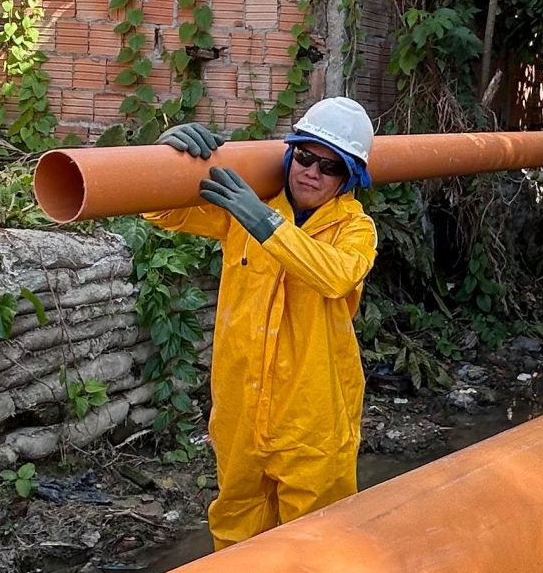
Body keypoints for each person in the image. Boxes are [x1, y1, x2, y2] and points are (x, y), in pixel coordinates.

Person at [149, 96, 378, 548]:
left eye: (329, 167)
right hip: (241, 410)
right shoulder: (245, 208)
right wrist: (163, 160)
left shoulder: (356, 229)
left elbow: (335, 276)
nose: (311, 172)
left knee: (318, 542)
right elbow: (164, 213)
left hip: (312, 417)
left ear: (349, 177)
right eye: (306, 157)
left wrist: (265, 222)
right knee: (237, 532)